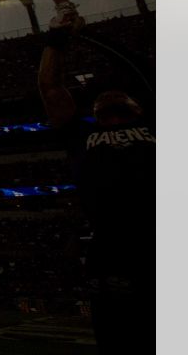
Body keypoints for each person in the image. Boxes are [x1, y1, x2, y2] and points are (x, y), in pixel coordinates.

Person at [38, 29, 154, 354]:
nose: (108, 98)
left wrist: (98, 38)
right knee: (119, 337)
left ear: (138, 108)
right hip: (111, 249)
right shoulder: (81, 134)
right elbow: (50, 88)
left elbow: (148, 74)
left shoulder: (155, 124)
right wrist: (55, 40)